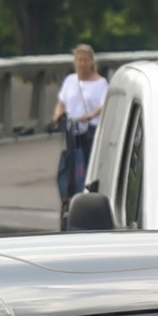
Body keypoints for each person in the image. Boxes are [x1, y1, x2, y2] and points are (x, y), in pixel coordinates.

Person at [51, 42, 107, 215]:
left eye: (85, 60)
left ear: (92, 62)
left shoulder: (101, 83)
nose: (81, 63)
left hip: (90, 131)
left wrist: (90, 115)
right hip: (72, 130)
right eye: (78, 60)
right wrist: (57, 114)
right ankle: (68, 196)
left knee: (88, 164)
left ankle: (87, 196)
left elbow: (103, 105)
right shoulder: (70, 81)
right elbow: (62, 102)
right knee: (69, 164)